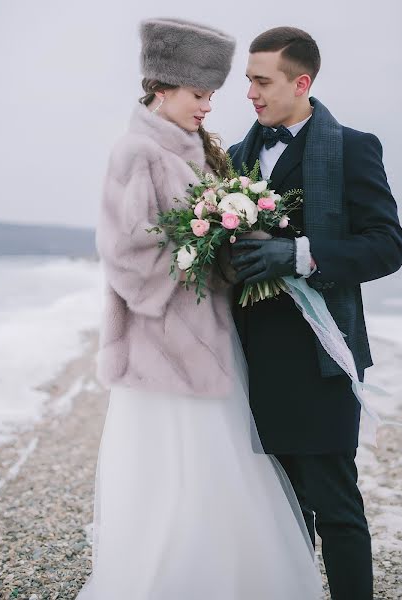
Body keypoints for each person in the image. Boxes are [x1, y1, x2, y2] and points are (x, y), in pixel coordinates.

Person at [77, 18, 322, 600]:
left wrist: (237, 245)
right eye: (199, 95)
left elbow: (205, 243)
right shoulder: (135, 151)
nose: (209, 107)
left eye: (212, 95)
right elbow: (125, 257)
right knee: (172, 478)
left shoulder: (200, 151)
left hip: (211, 342)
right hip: (162, 352)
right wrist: (202, 249)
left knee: (219, 472)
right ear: (162, 88)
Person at [225, 26, 402, 600]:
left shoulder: (353, 147)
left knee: (335, 505)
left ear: (301, 82)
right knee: (279, 507)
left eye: (261, 81)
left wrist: (298, 255)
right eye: (247, 80)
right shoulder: (235, 157)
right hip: (253, 356)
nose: (249, 93)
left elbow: (387, 246)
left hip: (323, 356)